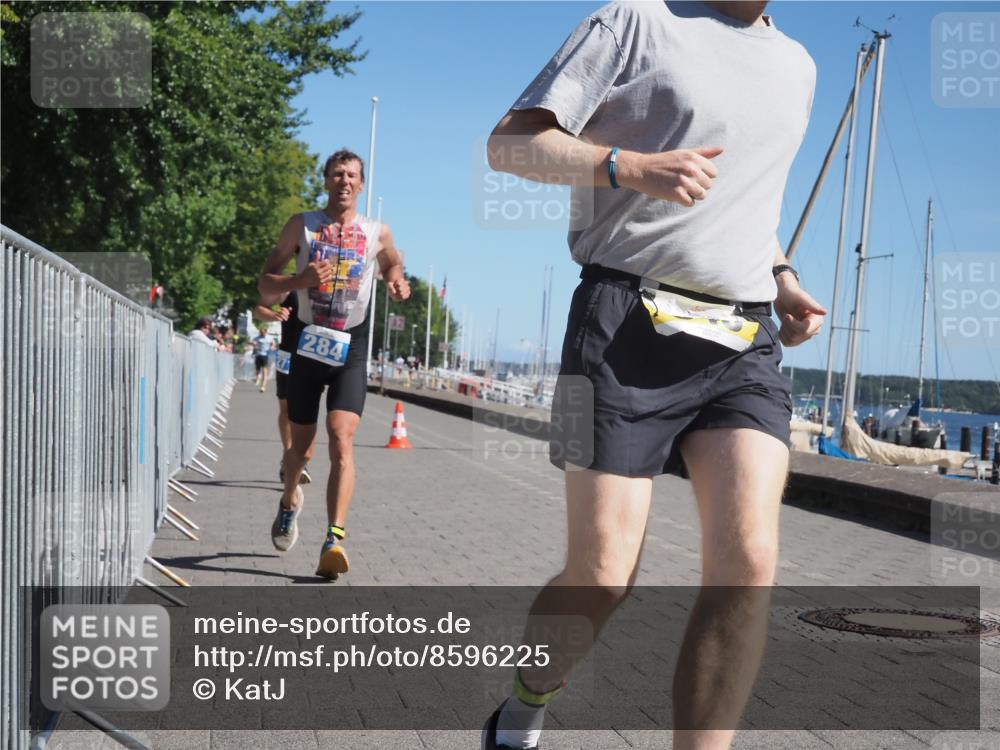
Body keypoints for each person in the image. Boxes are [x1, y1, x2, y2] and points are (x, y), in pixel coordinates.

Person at [482, 3, 824, 749]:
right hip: (619, 319)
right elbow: (509, 147)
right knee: (603, 572)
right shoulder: (634, 21)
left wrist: (784, 276)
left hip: (742, 336)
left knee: (748, 562)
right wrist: (628, 166)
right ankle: (525, 701)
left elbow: (739, 202)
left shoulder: (798, 67)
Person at [258, 149, 411, 579]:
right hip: (308, 343)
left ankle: (334, 539)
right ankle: (289, 499)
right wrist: (299, 281)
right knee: (301, 451)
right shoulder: (301, 225)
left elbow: (392, 261)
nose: (345, 181)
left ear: (362, 185)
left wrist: (397, 280)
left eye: (353, 176)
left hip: (352, 345)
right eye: (337, 174)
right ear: (325, 180)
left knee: (341, 438)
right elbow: (265, 284)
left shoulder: (376, 231)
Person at [254, 293, 314, 486]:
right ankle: (289, 456)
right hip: (287, 354)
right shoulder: (289, 285)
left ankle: (299, 460)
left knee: (307, 411)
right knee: (286, 410)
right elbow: (259, 309)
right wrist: (273, 315)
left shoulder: (330, 285)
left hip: (314, 354)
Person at [252, 327, 273, 392]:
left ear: (266, 332)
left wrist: (272, 347)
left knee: (264, 371)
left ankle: (263, 386)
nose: (261, 334)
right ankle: (258, 379)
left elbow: (273, 344)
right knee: (258, 370)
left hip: (265, 355)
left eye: (263, 332)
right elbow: (252, 342)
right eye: (260, 332)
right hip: (258, 355)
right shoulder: (257, 338)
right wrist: (254, 344)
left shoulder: (269, 338)